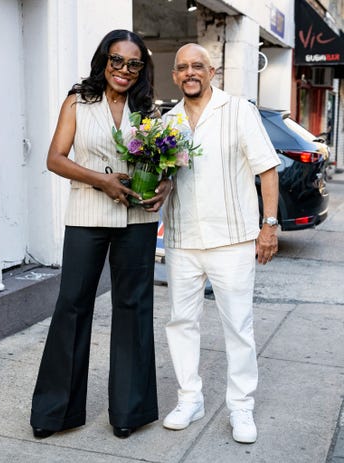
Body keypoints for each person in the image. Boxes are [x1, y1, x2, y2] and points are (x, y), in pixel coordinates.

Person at [30, 29, 171, 440]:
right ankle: (55, 412)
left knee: (133, 308)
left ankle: (129, 411)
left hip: (137, 220)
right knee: (72, 306)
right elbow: (55, 159)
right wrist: (101, 181)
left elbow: (162, 163)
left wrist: (164, 185)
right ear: (103, 61)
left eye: (133, 64)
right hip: (87, 213)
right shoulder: (78, 101)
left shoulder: (148, 109)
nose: (123, 70)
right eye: (116, 60)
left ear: (142, 69)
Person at [161, 44, 280, 444]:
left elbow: (267, 169)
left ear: (212, 71)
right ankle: (189, 398)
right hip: (182, 240)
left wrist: (269, 227)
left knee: (238, 326)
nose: (190, 72)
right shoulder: (168, 122)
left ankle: (241, 406)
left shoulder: (238, 111)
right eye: (182, 68)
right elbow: (165, 180)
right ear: (175, 76)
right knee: (181, 322)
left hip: (232, 239)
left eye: (198, 66)